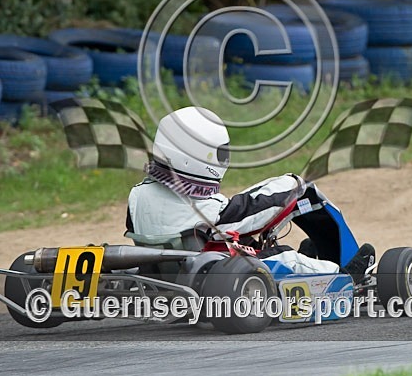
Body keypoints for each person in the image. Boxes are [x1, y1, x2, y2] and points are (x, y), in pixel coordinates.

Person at [125, 106, 374, 283]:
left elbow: (231, 216)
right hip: (208, 275)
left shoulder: (136, 197)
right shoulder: (207, 210)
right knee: (284, 256)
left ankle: (313, 263)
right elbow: (253, 209)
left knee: (247, 244)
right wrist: (293, 184)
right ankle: (343, 274)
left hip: (164, 273)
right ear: (195, 158)